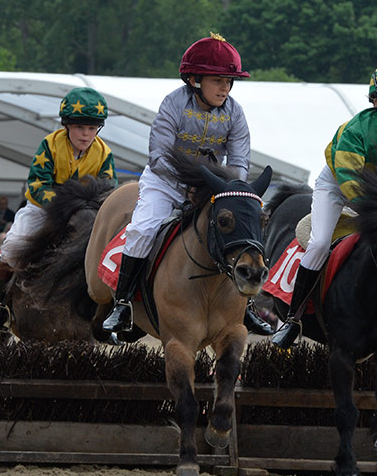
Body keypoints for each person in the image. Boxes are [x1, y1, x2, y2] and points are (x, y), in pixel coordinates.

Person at [271, 58, 377, 348]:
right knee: (320, 243)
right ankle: (293, 319)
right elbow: (350, 181)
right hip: (337, 188)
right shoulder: (356, 129)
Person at [102, 33, 260, 335]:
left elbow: (239, 164)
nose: (225, 88)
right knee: (143, 228)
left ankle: (248, 308)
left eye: (229, 81)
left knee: (239, 233)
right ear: (195, 80)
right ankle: (122, 304)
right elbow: (159, 156)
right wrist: (184, 186)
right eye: (218, 81)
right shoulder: (173, 104)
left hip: (212, 186)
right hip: (166, 182)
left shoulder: (235, 112)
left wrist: (231, 191)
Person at [0, 86, 118, 337]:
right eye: (79, 128)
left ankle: (112, 314)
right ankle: (0, 308)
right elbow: (36, 186)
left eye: (91, 128)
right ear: (66, 125)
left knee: (115, 251)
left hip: (86, 215)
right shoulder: (50, 145)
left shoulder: (104, 153)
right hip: (44, 208)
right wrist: (66, 204)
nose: (86, 134)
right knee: (11, 247)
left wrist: (86, 209)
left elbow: (108, 191)